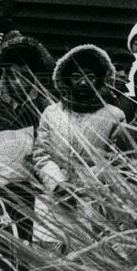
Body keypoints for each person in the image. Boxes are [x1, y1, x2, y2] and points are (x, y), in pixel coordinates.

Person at [0, 34, 54, 241]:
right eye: (12, 75)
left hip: (36, 199)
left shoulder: (46, 110)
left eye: (25, 76)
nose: (18, 82)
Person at [32, 44, 126, 212]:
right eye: (76, 76)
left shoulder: (114, 116)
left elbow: (114, 161)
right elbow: (41, 154)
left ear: (100, 79)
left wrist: (79, 185)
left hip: (94, 201)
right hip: (53, 201)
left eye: (90, 77)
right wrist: (58, 184)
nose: (83, 82)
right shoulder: (51, 112)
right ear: (66, 78)